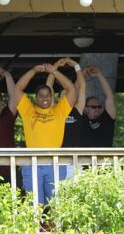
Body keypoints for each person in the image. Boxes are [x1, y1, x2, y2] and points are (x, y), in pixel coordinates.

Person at [12, 61, 78, 205]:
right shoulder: (29, 110)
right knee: (35, 205)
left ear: (52, 96)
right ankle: (36, 228)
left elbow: (72, 89)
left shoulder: (59, 110)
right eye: (41, 96)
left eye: (48, 95)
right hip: (32, 162)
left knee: (55, 205)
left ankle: (55, 228)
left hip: (55, 162)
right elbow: (17, 89)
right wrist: (33, 70)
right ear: (36, 98)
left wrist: (54, 72)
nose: (45, 98)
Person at [69, 65, 117, 149]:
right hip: (83, 160)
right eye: (94, 107)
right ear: (85, 108)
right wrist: (82, 75)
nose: (97, 109)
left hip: (103, 160)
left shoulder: (106, 118)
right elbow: (73, 94)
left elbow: (109, 97)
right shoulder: (80, 118)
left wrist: (99, 75)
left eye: (99, 106)